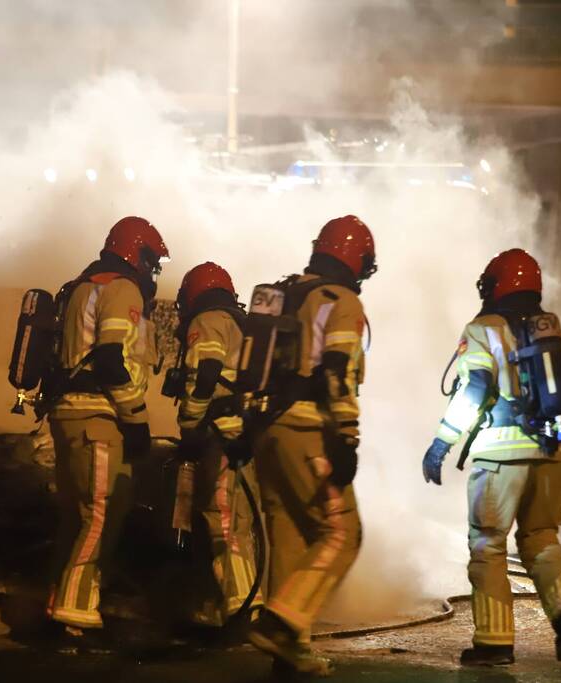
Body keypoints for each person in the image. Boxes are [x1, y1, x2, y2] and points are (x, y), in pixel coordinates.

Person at [421, 248, 561, 666]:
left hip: (499, 458)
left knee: (488, 544)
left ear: (494, 286)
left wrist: (442, 443)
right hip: (554, 455)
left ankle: (495, 642)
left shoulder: (484, 330)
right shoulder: (560, 337)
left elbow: (475, 391)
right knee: (541, 539)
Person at [247, 215, 376, 677]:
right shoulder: (340, 301)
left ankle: (289, 648)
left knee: (289, 534)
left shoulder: (286, 293)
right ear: (357, 260)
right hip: (307, 429)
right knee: (342, 532)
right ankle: (283, 623)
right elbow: (336, 369)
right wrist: (346, 436)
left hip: (267, 429)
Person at [48, 216, 169, 639]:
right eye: (151, 261)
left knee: (78, 516)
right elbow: (110, 360)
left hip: (70, 414)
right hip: (98, 416)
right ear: (136, 253)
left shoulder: (83, 286)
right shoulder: (121, 288)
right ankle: (74, 610)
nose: (152, 271)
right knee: (101, 514)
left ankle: (62, 599)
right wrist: (136, 420)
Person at [172, 262, 261, 627]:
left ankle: (243, 608)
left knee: (224, 522)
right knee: (239, 521)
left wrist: (190, 427)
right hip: (244, 434)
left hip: (223, 434)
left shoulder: (207, 321)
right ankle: (246, 601)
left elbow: (206, 373)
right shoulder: (238, 324)